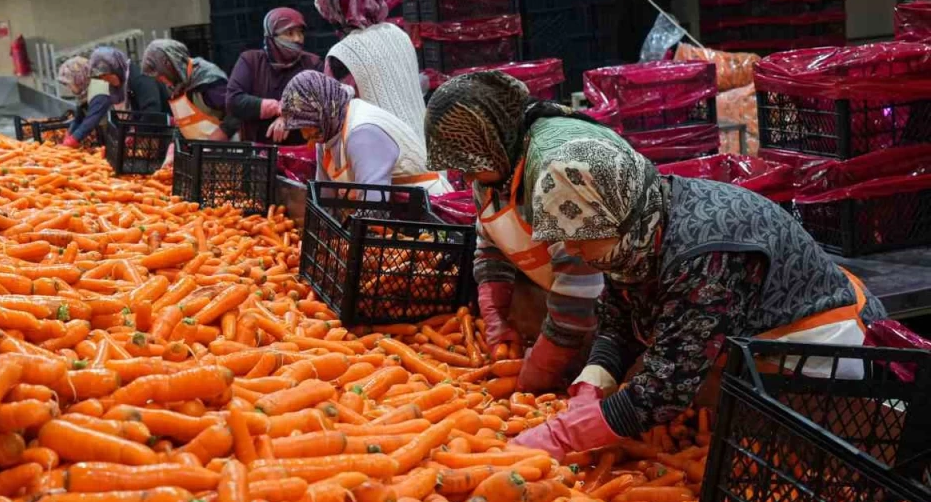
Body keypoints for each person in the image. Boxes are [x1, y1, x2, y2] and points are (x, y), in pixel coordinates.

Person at [509, 114, 887, 457]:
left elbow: (667, 386)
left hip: (820, 354)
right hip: (758, 351)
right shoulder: (637, 227)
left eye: (578, 237)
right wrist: (597, 374)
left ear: (618, 220)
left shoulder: (705, 255)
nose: (570, 249)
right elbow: (620, 314)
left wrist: (562, 437)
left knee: (820, 460)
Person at [424, 72, 605, 393]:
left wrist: (542, 366)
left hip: (629, 309)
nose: (465, 177)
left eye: (468, 163)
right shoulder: (492, 173)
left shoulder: (557, 171)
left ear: (492, 139)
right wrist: (495, 316)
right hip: (577, 316)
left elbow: (580, 287)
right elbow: (491, 246)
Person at [281, 70, 451, 195]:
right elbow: (324, 198)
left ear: (323, 111)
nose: (308, 140)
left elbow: (373, 206)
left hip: (428, 211)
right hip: (393, 214)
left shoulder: (362, 133)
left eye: (311, 130)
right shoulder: (326, 132)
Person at [316, 0, 427, 138]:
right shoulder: (399, 34)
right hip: (425, 149)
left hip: (386, 159)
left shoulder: (342, 54)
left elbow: (336, 120)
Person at [226, 7, 322, 144]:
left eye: (300, 33)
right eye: (289, 33)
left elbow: (325, 102)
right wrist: (276, 107)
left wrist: (291, 116)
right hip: (259, 154)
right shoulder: (250, 61)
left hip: (305, 152)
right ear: (271, 36)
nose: (297, 39)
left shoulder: (312, 64)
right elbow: (234, 100)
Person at [59, 47, 169, 149]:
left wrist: (136, 135)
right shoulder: (118, 86)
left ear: (113, 69)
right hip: (146, 136)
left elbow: (152, 110)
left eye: (104, 76)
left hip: (164, 134)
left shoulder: (140, 79)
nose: (103, 80)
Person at [140, 39, 239, 142]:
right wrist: (174, 145)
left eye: (160, 75)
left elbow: (237, 111)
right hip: (201, 152)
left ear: (169, 64)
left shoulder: (207, 80)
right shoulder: (176, 86)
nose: (160, 80)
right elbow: (183, 124)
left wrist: (223, 132)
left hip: (227, 149)